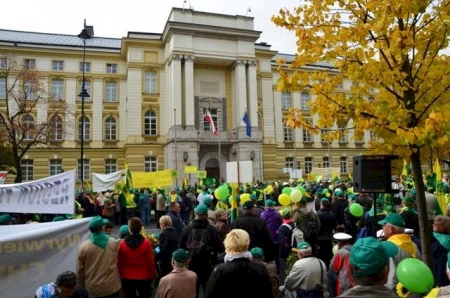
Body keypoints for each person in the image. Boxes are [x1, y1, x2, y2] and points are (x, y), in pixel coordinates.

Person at [205, 229, 274, 298]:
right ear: (247, 243)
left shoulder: (219, 270)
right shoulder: (260, 269)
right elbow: (268, 294)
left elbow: (210, 294)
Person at [179, 204, 224, 296]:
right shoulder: (212, 229)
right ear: (206, 215)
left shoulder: (186, 229)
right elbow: (220, 248)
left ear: (195, 214)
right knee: (208, 289)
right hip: (208, 264)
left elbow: (180, 246)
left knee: (192, 290)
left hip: (191, 264)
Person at [76, 216, 121, 298]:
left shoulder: (83, 247)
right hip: (111, 287)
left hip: (93, 289)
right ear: (102, 227)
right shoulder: (113, 242)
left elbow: (80, 271)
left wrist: (82, 286)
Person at [378, 213, 422, 290]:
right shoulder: (412, 244)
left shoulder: (390, 248)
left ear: (391, 229)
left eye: (384, 225)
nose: (382, 227)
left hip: (398, 292)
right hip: (414, 288)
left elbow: (391, 279)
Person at [117, 217, 155, 298]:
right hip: (143, 276)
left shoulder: (122, 243)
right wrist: (152, 275)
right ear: (141, 228)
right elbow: (150, 262)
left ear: (130, 229)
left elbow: (119, 262)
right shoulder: (146, 243)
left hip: (126, 276)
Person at [328, 233, 354, 298]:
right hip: (356, 283)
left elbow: (332, 268)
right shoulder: (355, 250)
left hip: (345, 286)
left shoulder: (340, 253)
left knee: (329, 275)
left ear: (340, 243)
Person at [317, 198, 337, 267]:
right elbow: (334, 225)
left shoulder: (319, 214)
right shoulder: (332, 214)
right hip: (329, 236)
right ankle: (328, 265)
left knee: (321, 252)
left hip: (320, 236)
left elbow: (317, 226)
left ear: (323, 205)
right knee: (328, 252)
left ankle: (322, 266)